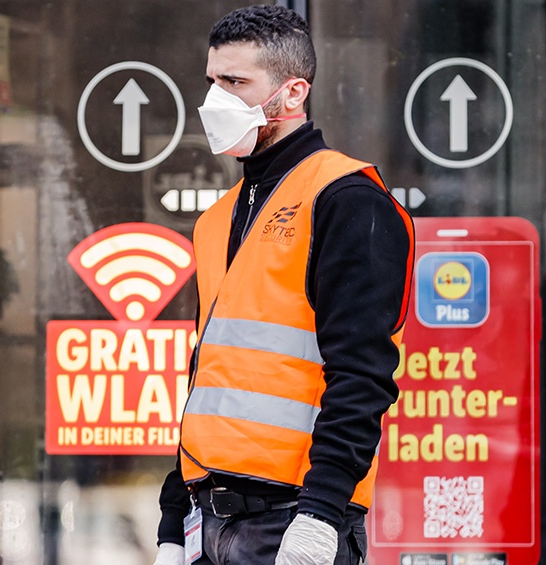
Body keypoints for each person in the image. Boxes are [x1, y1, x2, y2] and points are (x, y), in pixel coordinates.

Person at [153, 5, 414, 565]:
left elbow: (363, 377)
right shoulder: (218, 218)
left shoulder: (346, 200)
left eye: (235, 82)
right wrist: (173, 520)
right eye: (211, 81)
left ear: (293, 92)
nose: (214, 100)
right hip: (211, 521)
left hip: (293, 519)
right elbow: (211, 374)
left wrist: (320, 516)